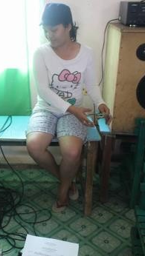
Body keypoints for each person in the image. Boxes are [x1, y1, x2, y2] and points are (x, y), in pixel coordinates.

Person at [26, 3, 111, 212]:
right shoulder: (41, 53)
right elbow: (43, 90)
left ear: (68, 26)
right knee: (35, 146)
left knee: (72, 152)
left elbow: (91, 84)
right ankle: (67, 181)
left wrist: (100, 102)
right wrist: (72, 110)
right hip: (46, 108)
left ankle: (63, 190)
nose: (49, 35)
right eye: (45, 30)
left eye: (53, 30)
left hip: (73, 111)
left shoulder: (87, 53)